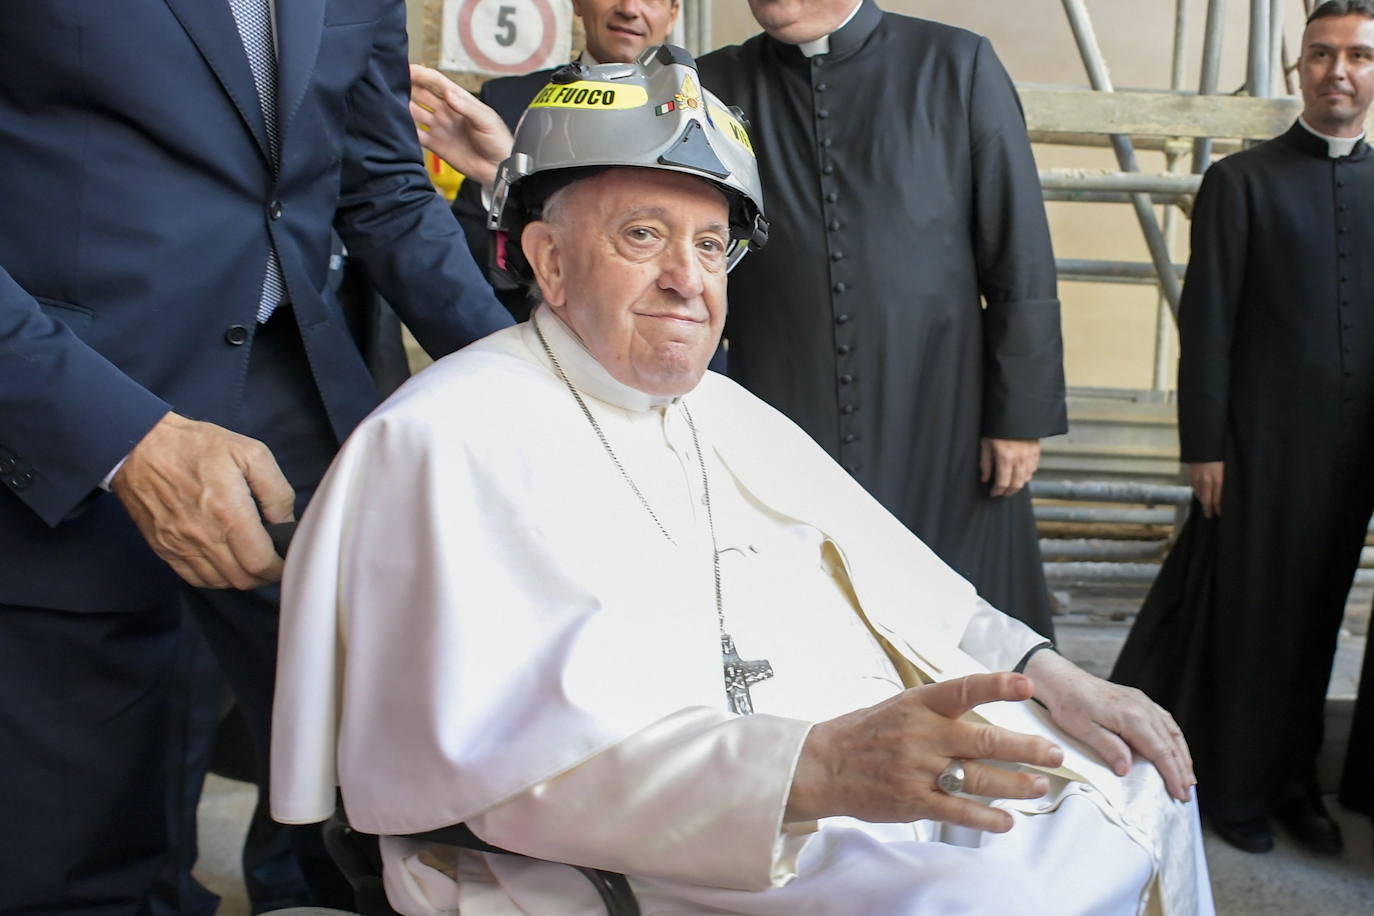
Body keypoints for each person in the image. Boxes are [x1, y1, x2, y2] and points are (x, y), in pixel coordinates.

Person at [272, 49, 1211, 916]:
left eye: (712, 246)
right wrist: (814, 769)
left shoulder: (722, 409)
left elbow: (913, 588)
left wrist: (1053, 673)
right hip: (632, 853)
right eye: (644, 235)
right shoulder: (439, 440)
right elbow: (491, 766)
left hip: (825, 775)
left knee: (1134, 776)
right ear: (550, 262)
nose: (688, 280)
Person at [0, 2, 512, 914]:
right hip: (68, 413)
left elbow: (386, 193)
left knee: (380, 801)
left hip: (299, 404)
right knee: (84, 841)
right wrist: (115, 437)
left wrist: (533, 389)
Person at [406, 0, 1065, 638]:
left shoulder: (954, 64)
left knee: (971, 630)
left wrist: (1019, 415)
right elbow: (612, 231)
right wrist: (506, 173)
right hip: (777, 400)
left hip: (938, 403)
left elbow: (1019, 249)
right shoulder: (705, 83)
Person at [1112, 0, 1374, 857]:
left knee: (1319, 622)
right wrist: (1205, 448)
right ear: (1300, 68)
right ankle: (1233, 787)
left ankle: (1296, 784)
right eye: (1322, 54)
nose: (1339, 71)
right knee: (1251, 621)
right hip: (1258, 450)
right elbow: (1210, 324)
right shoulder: (1243, 180)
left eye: (1359, 56)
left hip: (1354, 459)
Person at [410, 0, 680, 322]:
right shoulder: (505, 103)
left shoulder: (706, 114)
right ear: (577, 4)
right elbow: (466, 259)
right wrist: (506, 182)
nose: (630, 8)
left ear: (673, 14)